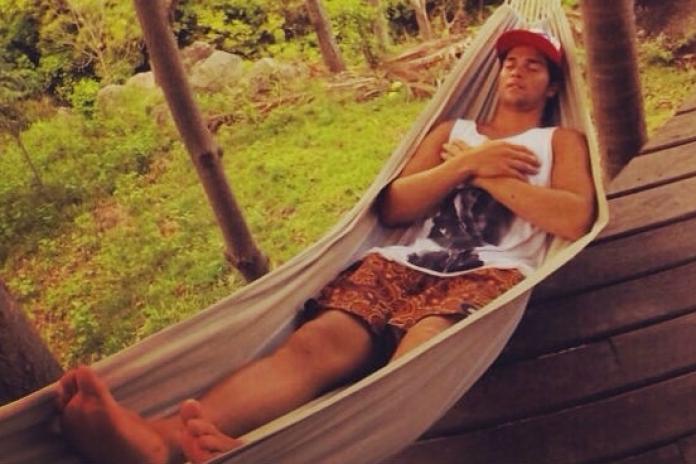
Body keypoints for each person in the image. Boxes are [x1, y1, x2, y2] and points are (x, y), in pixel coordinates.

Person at [55, 28, 595, 464]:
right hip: (399, 263)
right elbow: (395, 206)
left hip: (486, 274)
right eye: (510, 62)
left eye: (534, 66)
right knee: (312, 347)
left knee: (418, 362)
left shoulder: (558, 140)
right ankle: (161, 441)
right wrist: (468, 162)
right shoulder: (455, 132)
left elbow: (574, 218)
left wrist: (489, 177)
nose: (516, 70)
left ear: (553, 88)